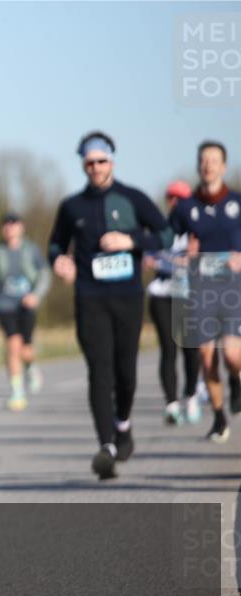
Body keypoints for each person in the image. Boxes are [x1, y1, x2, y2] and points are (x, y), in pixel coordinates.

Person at [48, 131, 173, 480]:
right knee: (99, 372)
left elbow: (165, 236)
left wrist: (130, 241)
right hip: (90, 298)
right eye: (89, 162)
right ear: (83, 165)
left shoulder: (132, 198)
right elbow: (55, 245)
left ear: (111, 162)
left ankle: (123, 426)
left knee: (125, 374)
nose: (95, 168)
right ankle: (106, 447)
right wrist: (60, 262)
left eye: (101, 161)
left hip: (128, 297)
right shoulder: (71, 206)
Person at [169, 140, 241, 442]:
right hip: (201, 291)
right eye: (203, 160)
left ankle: (236, 381)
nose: (208, 165)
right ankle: (220, 417)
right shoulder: (186, 208)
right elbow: (165, 246)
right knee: (206, 358)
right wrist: (183, 256)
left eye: (214, 160)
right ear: (199, 165)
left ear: (223, 166)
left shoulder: (237, 203)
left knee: (233, 356)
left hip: (233, 289)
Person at [0, 212, 51, 411]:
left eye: (13, 224)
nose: (9, 228)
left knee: (26, 350)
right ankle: (17, 392)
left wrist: (36, 295)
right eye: (6, 225)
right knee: (12, 345)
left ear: (21, 227)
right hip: (5, 305)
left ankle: (31, 367)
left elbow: (44, 274)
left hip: (26, 305)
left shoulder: (31, 250)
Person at [143, 180, 202, 425]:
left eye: (181, 198)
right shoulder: (160, 229)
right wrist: (173, 262)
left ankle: (190, 395)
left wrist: (182, 261)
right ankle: (171, 403)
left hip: (188, 294)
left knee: (190, 349)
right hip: (162, 294)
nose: (175, 202)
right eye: (171, 197)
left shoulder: (197, 231)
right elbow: (148, 258)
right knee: (168, 349)